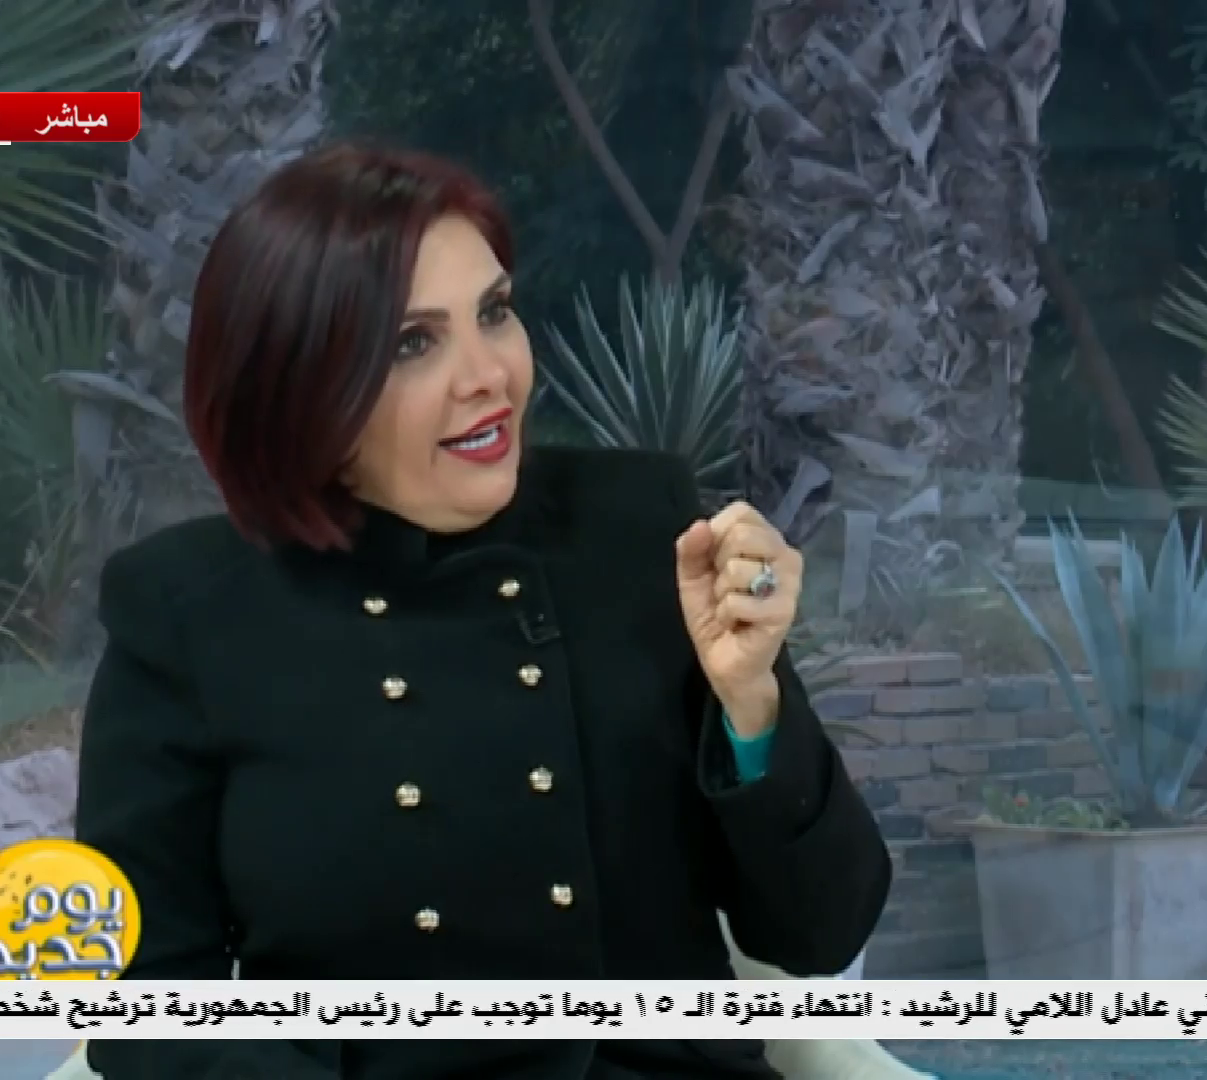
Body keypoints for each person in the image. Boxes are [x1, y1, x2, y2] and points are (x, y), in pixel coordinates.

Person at [74, 140, 892, 1080]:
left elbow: (823, 930)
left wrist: (753, 710)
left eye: (494, 313)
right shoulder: (185, 613)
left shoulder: (642, 529)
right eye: (413, 344)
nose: (489, 376)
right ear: (297, 388)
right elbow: (148, 1014)